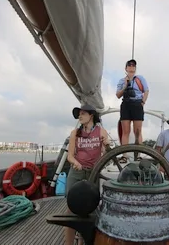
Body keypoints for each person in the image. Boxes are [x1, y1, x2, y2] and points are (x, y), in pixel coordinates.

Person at [65, 104, 110, 245]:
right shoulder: (75, 133)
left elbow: (107, 154)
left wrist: (107, 145)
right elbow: (70, 156)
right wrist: (76, 163)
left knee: (91, 207)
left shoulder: (102, 132)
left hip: (93, 173)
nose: (80, 116)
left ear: (91, 115)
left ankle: (87, 239)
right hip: (76, 172)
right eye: (79, 114)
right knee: (71, 208)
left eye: (83, 113)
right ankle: (68, 243)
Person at [116, 59, 149, 162]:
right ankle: (124, 155)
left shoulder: (140, 78)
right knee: (125, 131)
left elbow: (146, 90)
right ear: (126, 68)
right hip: (125, 104)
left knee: (137, 131)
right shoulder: (122, 81)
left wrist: (142, 102)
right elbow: (118, 95)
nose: (131, 67)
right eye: (129, 65)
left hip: (137, 104)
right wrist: (125, 85)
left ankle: (139, 154)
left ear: (135, 68)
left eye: (133, 65)